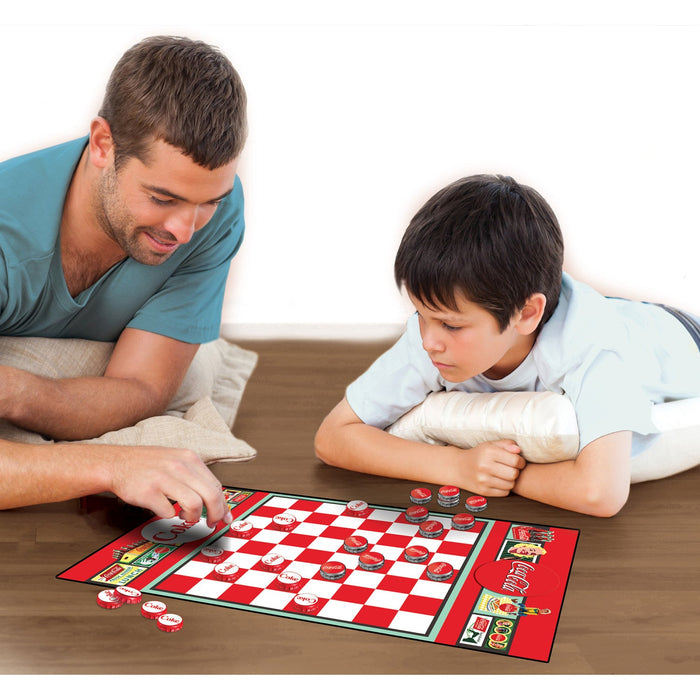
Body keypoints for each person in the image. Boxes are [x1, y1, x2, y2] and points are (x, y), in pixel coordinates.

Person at [315, 174, 700, 517]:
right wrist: (456, 467)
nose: (429, 342)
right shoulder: (432, 333)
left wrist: (508, 476)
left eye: (451, 324)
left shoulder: (596, 350)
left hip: (682, 338)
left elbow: (600, 494)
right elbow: (333, 437)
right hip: (615, 312)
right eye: (419, 314)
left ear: (527, 314)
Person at [0, 36, 248, 524]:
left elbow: (143, 386)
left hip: (63, 378)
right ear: (102, 144)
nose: (185, 229)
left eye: (208, 201)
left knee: (196, 370)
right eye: (162, 198)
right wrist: (109, 464)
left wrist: (13, 392)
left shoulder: (217, 213)